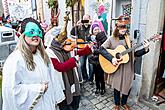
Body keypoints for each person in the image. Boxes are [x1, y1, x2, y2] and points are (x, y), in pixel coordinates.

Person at [2, 17, 65, 110]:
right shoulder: (15, 60)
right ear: (22, 35)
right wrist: (38, 89)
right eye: (31, 32)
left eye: (38, 32)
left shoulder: (43, 56)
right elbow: (10, 91)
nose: (35, 35)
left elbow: (52, 79)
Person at [99, 15, 150, 110]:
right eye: (121, 27)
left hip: (128, 67)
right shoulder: (111, 39)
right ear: (117, 27)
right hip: (117, 67)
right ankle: (117, 104)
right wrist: (112, 59)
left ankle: (124, 103)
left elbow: (135, 54)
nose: (124, 29)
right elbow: (101, 49)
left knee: (128, 86)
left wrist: (145, 49)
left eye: (125, 27)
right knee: (117, 87)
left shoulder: (129, 39)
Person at [46, 14, 93, 110]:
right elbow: (59, 67)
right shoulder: (49, 52)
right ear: (55, 39)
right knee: (66, 106)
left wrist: (88, 49)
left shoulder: (65, 47)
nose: (67, 41)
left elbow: (77, 52)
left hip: (72, 80)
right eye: (63, 40)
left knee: (76, 102)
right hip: (62, 84)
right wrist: (74, 60)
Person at [70, 14, 93, 82]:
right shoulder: (79, 27)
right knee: (82, 64)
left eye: (87, 19)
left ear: (89, 19)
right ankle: (85, 77)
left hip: (89, 47)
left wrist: (92, 24)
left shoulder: (91, 26)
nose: (85, 21)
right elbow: (72, 33)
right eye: (84, 19)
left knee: (91, 64)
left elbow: (95, 33)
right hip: (81, 47)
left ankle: (91, 79)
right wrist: (76, 26)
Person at [89, 30, 107, 95]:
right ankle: (97, 87)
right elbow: (94, 50)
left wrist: (96, 51)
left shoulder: (104, 42)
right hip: (95, 61)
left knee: (101, 75)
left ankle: (103, 88)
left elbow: (103, 51)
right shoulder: (95, 42)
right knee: (96, 75)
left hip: (102, 61)